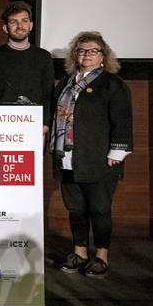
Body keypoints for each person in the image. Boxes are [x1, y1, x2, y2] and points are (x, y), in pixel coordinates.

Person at [51, 31, 131, 278]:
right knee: (76, 208)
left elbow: (123, 121)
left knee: (99, 208)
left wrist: (117, 152)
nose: (87, 54)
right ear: (75, 54)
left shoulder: (112, 83)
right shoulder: (66, 82)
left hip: (99, 158)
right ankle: (80, 253)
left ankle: (102, 255)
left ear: (103, 56)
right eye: (82, 50)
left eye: (93, 50)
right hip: (68, 156)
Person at [0, 1, 54, 132]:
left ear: (31, 25)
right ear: (5, 28)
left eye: (24, 21)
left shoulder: (44, 57)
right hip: (2, 126)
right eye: (13, 22)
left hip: (36, 125)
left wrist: (45, 123)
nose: (20, 26)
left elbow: (48, 94)